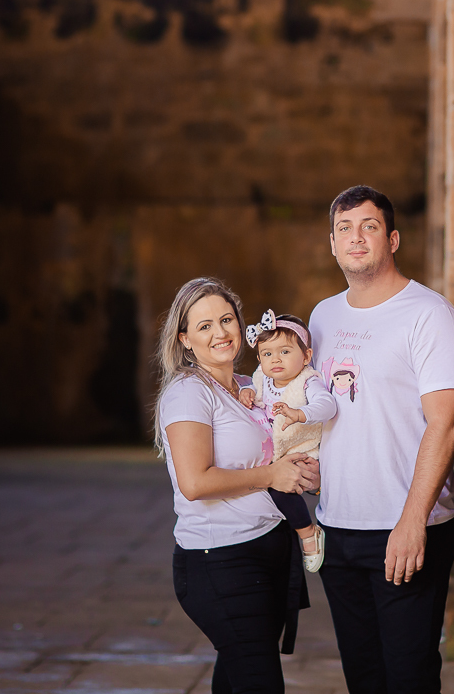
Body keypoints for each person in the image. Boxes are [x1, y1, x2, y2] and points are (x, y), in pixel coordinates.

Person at [309, 186, 454, 694]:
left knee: (409, 678)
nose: (355, 237)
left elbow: (447, 422)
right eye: (344, 229)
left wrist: (412, 520)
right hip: (338, 527)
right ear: (332, 244)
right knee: (364, 678)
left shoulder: (429, 315)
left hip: (405, 527)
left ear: (393, 238)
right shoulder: (321, 317)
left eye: (369, 226)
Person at [154, 277, 320, 694]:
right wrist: (271, 474)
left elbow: (277, 454)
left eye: (226, 319)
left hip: (268, 549)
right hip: (220, 562)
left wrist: (301, 471)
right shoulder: (189, 392)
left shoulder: (251, 387)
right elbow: (194, 482)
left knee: (236, 678)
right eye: (205, 325)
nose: (220, 332)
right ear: (185, 339)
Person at [239, 309, 337, 572]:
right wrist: (247, 390)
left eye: (285, 351)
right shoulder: (262, 378)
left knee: (281, 491)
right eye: (267, 354)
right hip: (274, 453)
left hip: (301, 450)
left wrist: (300, 413)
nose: (275, 360)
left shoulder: (307, 381)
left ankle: (308, 532)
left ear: (306, 356)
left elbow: (328, 405)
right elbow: (253, 387)